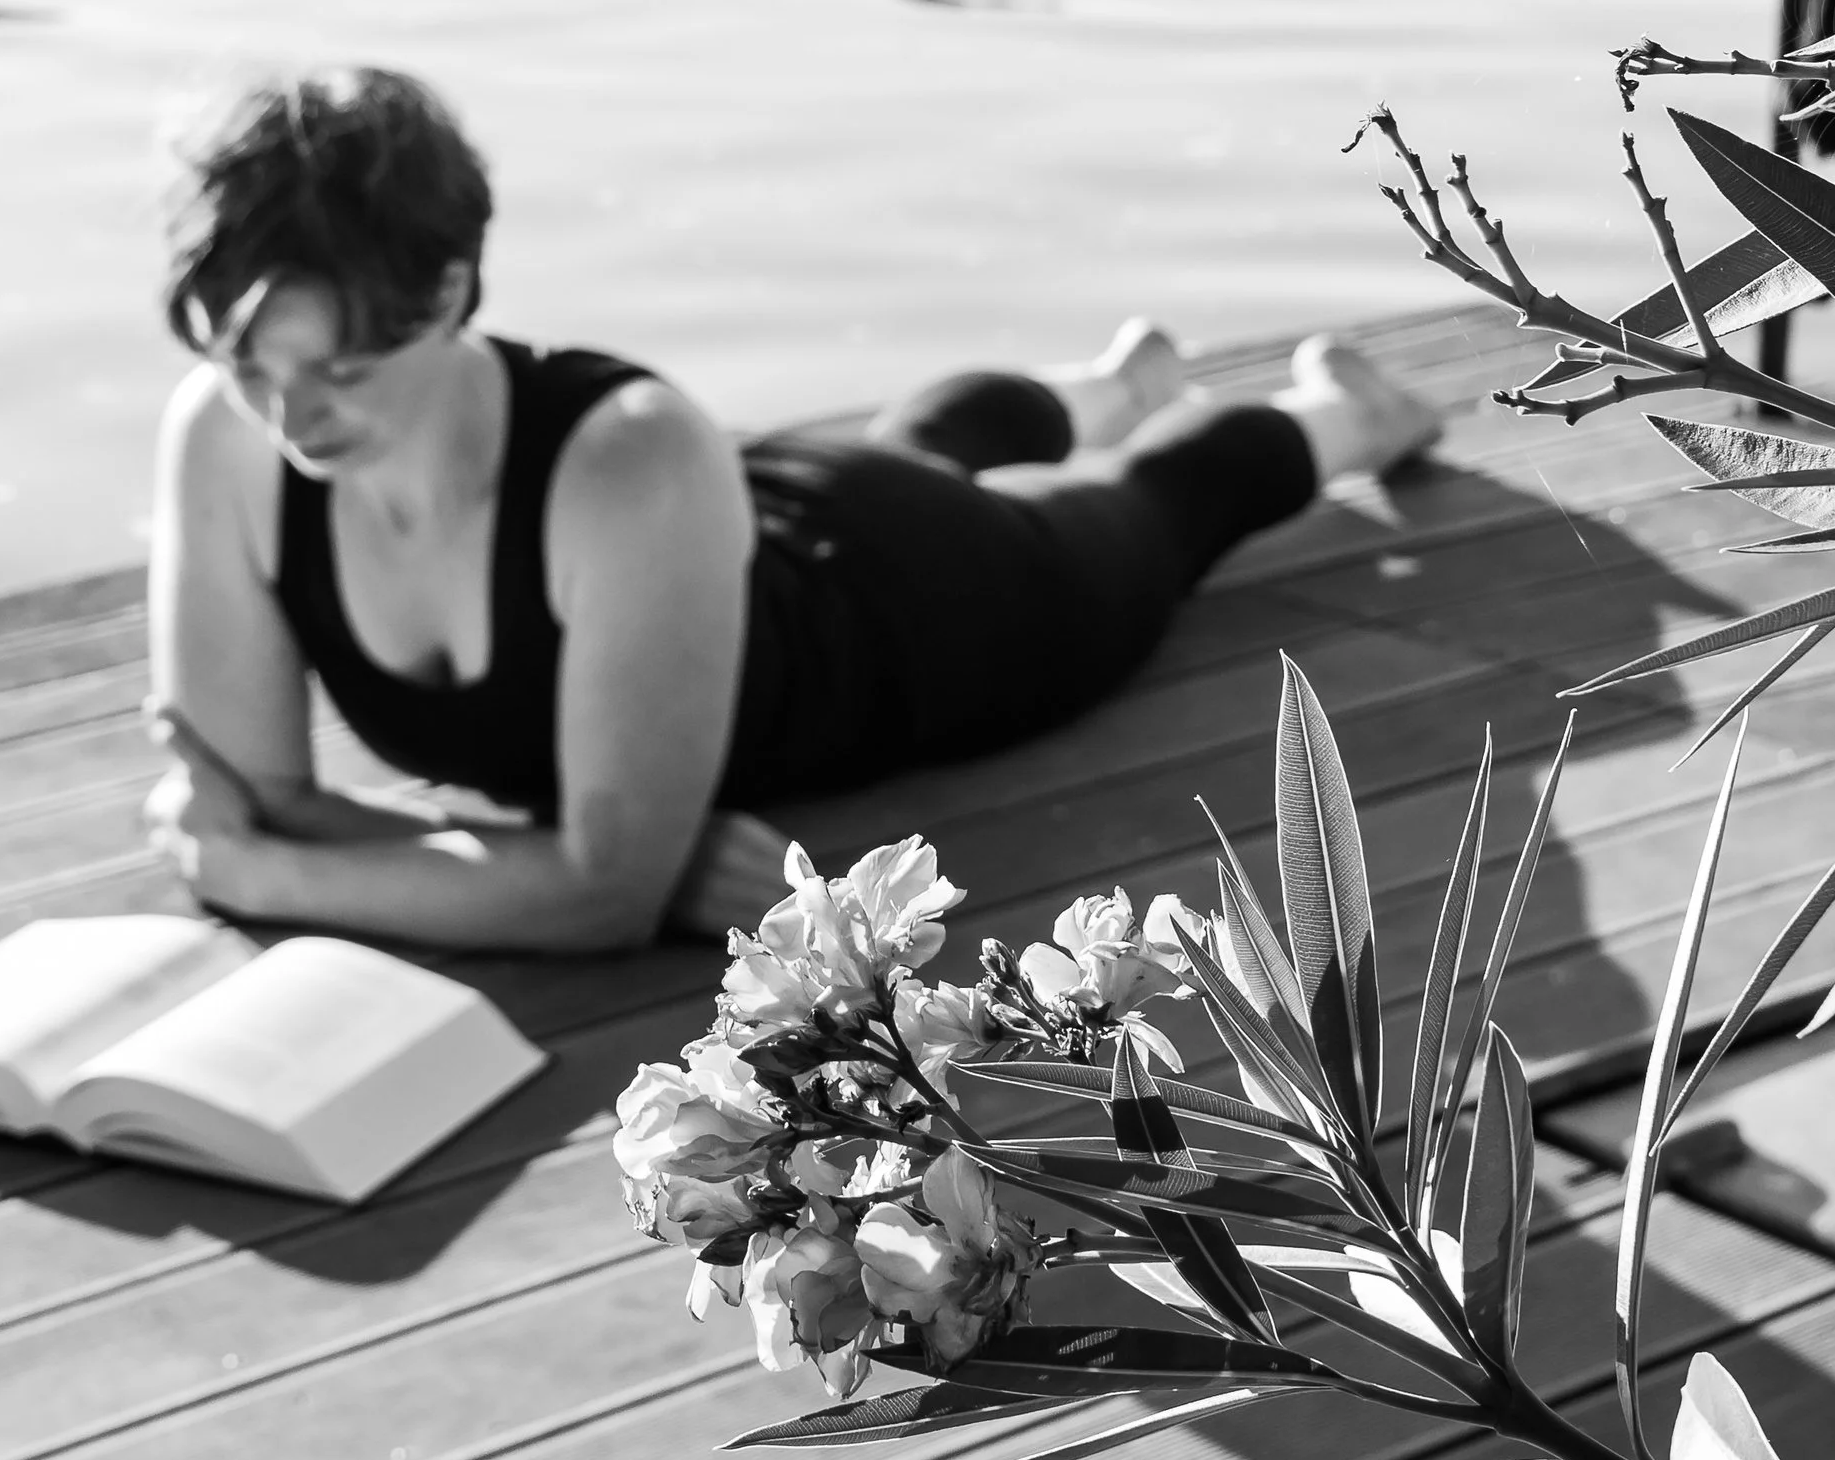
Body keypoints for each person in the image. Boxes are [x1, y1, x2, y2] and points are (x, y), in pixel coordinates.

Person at [145, 66, 1443, 956]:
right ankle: (1114, 382)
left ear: (444, 293)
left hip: (915, 610)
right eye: (247, 363)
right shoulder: (225, 435)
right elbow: (253, 793)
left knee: (1155, 505)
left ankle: (1351, 411)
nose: (288, 415)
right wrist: (563, 864)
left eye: (340, 370)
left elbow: (589, 897)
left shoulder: (630, 460)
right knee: (932, 444)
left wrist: (279, 876)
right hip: (739, 534)